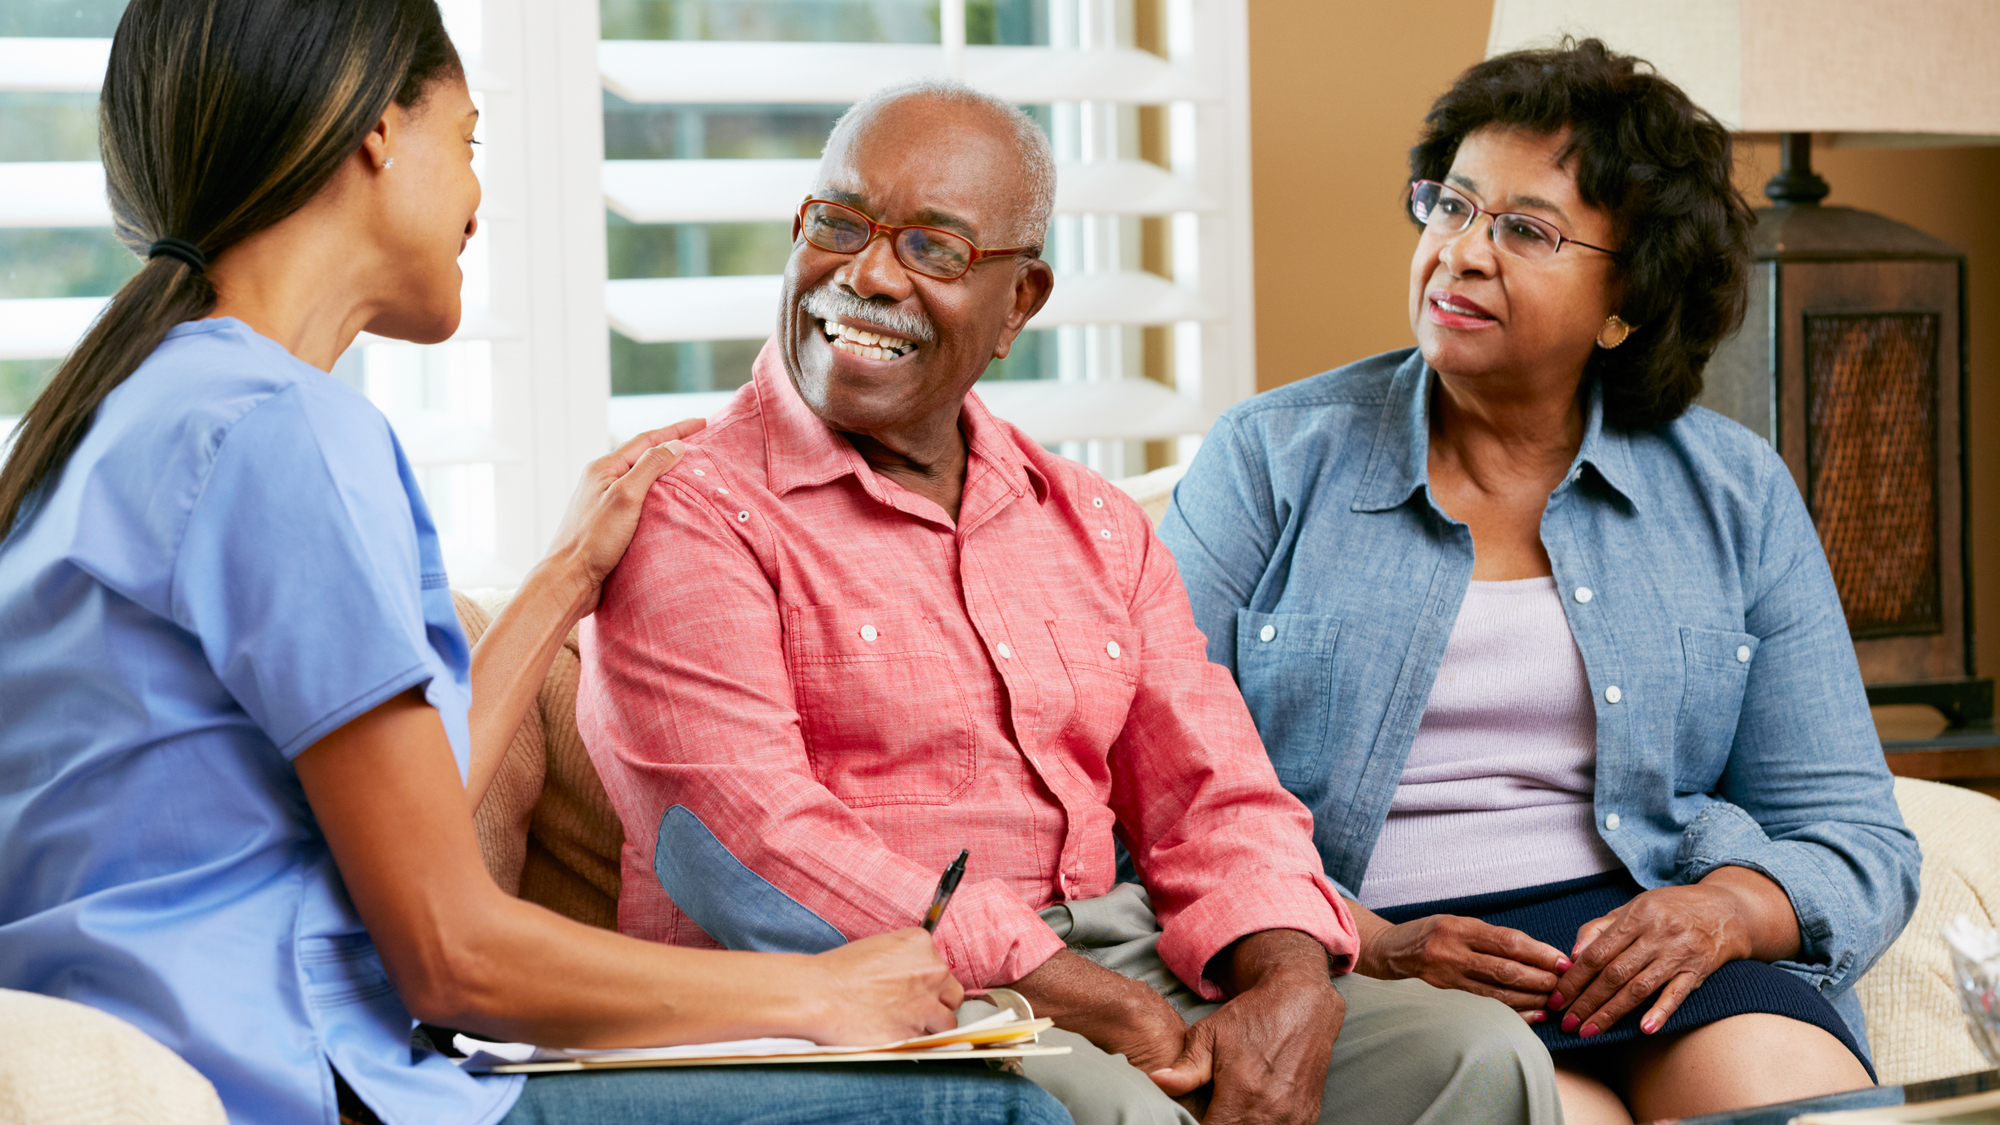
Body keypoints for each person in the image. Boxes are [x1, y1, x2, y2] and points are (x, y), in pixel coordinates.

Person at [0, 4, 1072, 1125]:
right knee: (989, 1111)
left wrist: (565, 572)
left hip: (194, 1043)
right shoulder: (284, 433)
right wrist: (817, 991)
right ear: (376, 132)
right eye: (466, 143)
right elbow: (450, 953)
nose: (474, 200)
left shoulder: (117, 416)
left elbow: (396, 822)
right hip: (298, 1082)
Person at [577, 77, 1560, 1125]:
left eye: (933, 249)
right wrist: (1100, 1005)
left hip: (1121, 957)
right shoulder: (690, 509)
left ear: (1019, 303)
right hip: (867, 997)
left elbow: (1212, 794)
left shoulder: (1089, 521)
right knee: (1115, 1110)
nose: (864, 273)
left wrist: (1286, 981)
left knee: (1475, 1057)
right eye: (839, 223)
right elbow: (746, 849)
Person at [1157, 38, 1921, 1125]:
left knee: (1803, 1110)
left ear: (1627, 302)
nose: (1460, 254)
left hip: (1649, 946)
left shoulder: (1732, 492)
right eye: (1450, 207)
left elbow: (1849, 828)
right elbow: (1152, 789)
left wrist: (1722, 913)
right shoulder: (1271, 459)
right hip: (1376, 950)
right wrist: (1359, 941)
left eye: (1524, 230)